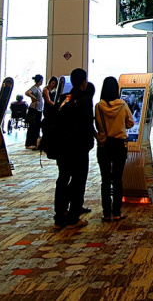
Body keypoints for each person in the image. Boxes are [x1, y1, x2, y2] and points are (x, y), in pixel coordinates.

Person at [53, 68, 95, 229]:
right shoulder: (84, 99)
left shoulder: (64, 98)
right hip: (78, 147)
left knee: (63, 179)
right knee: (78, 181)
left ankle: (59, 215)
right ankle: (73, 217)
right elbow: (87, 124)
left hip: (62, 146)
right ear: (84, 82)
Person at [95, 76, 134, 222]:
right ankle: (117, 212)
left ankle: (106, 213)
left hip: (104, 145)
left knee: (105, 180)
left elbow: (98, 125)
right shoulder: (122, 105)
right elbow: (130, 123)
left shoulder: (99, 106)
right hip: (119, 145)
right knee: (117, 179)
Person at [25, 75, 44, 149]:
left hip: (39, 109)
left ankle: (35, 142)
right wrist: (33, 97)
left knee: (36, 126)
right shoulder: (35, 88)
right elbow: (27, 92)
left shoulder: (39, 88)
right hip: (34, 109)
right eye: (41, 81)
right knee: (33, 126)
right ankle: (29, 143)